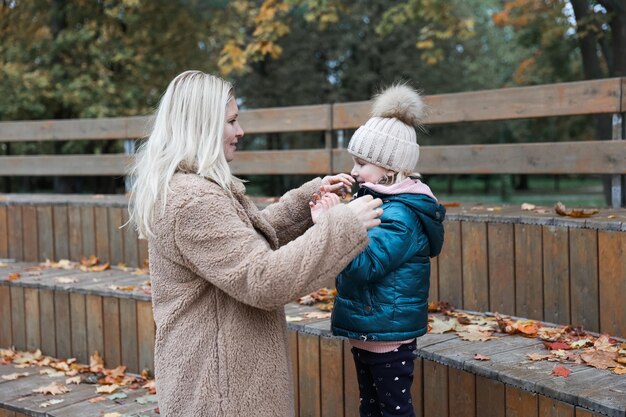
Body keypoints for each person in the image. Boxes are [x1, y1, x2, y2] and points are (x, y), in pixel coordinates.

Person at [128, 70, 383, 417]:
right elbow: (262, 279)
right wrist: (343, 225)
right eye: (231, 121)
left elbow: (243, 244)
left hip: (223, 381)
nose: (240, 131)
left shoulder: (193, 189)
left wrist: (305, 205)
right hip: (223, 395)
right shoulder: (193, 201)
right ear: (201, 126)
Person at [329, 84, 446, 417]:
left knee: (394, 411)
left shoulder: (401, 215)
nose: (354, 170)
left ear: (390, 169)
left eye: (362, 163)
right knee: (372, 408)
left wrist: (334, 225)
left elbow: (364, 265)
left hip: (388, 336)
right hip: (369, 329)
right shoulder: (374, 202)